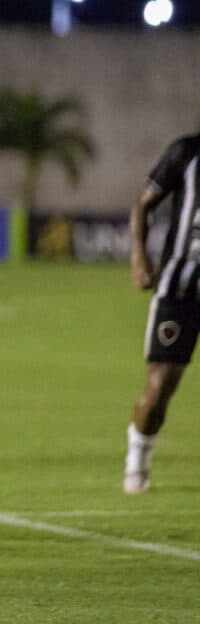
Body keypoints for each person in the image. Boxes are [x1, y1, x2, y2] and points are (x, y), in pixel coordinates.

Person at [124, 131, 200, 494]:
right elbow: (142, 204)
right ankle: (137, 459)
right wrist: (139, 257)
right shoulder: (187, 152)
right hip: (181, 288)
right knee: (160, 387)